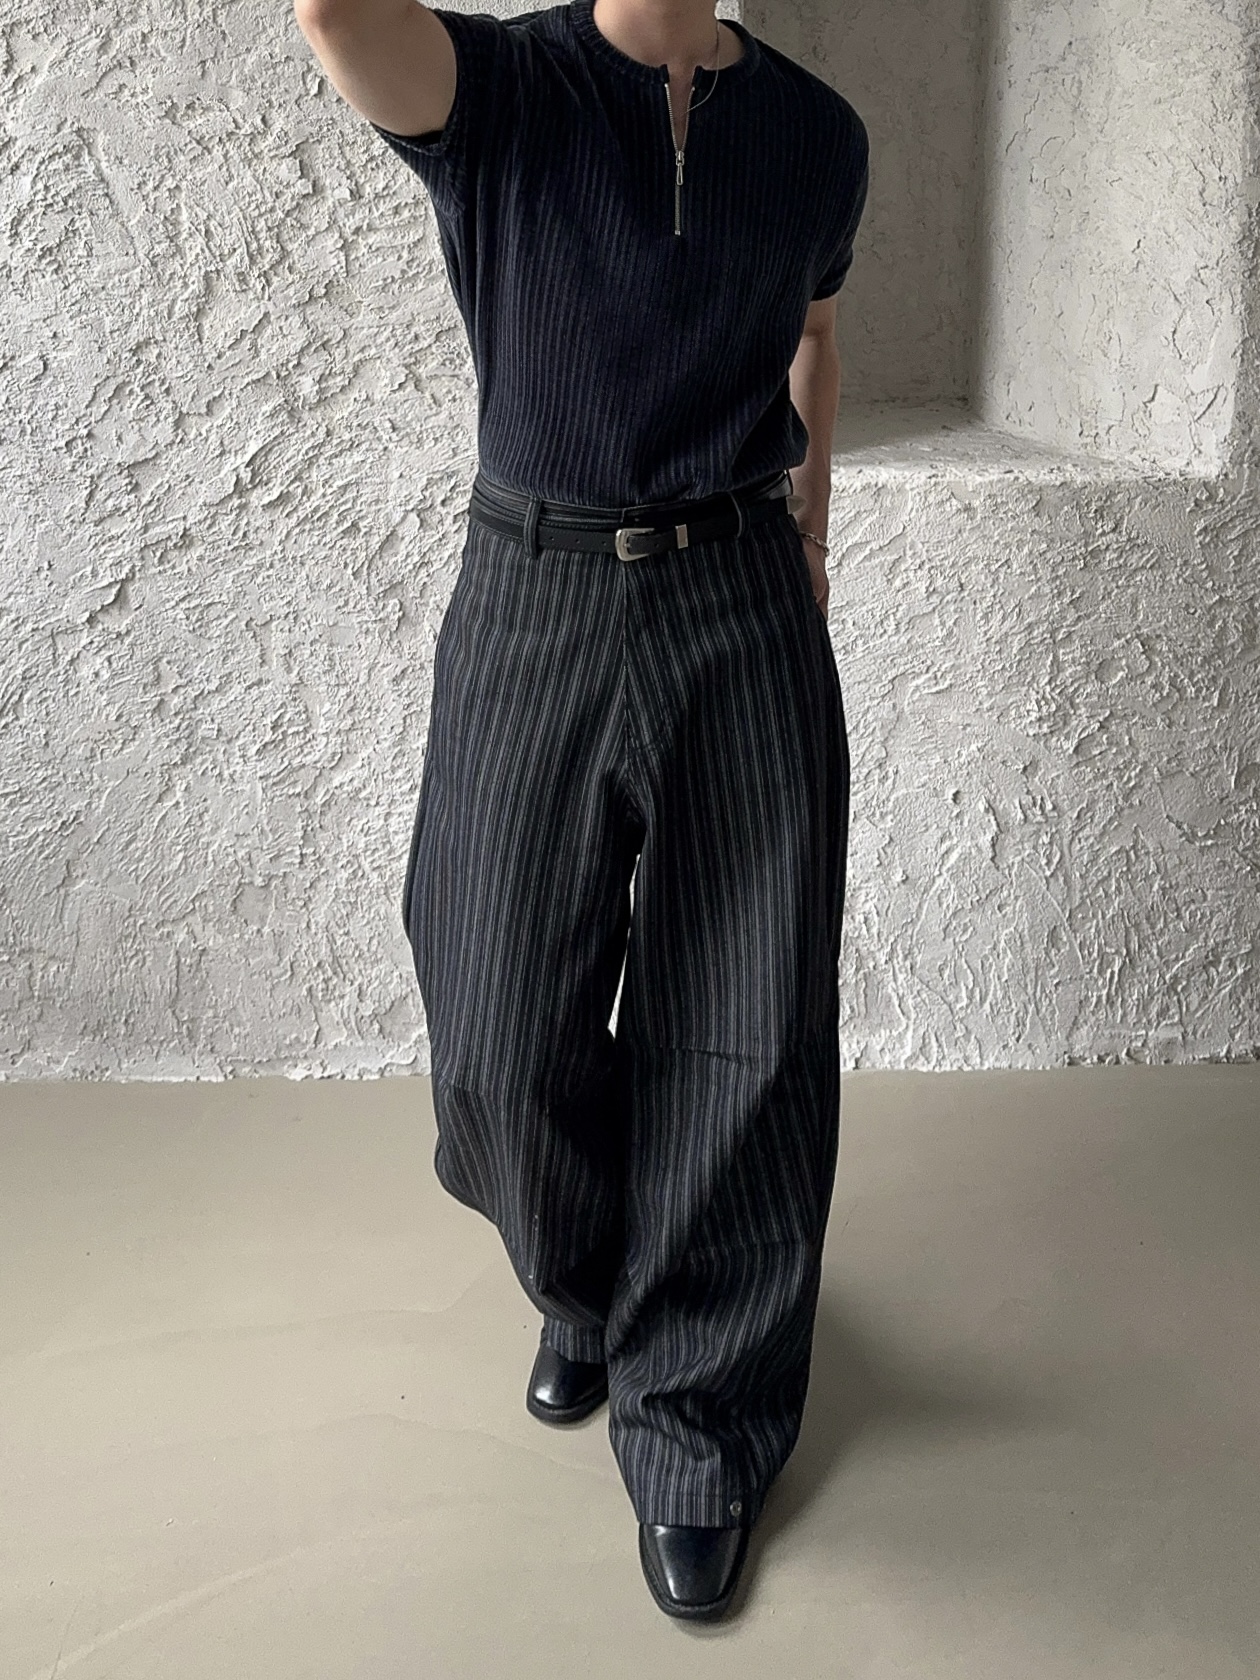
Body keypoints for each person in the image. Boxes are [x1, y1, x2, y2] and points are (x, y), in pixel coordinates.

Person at [295, 0, 869, 1621]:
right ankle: (596, 1278)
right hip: (533, 590)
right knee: (492, 1024)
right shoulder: (504, 90)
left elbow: (817, 337)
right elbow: (332, 16)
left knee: (743, 1023)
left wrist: (812, 545)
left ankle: (697, 1426)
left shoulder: (816, 135)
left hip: (740, 594)